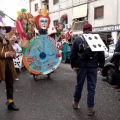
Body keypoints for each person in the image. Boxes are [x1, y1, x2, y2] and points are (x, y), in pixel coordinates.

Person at [70, 23, 105, 116]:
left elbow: (72, 54)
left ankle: (75, 103)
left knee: (79, 85)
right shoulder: (96, 38)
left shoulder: (78, 39)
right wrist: (101, 65)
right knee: (91, 88)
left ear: (83, 30)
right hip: (93, 67)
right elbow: (101, 53)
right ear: (91, 30)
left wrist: (73, 65)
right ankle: (90, 108)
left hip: (81, 66)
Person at [0, 21, 19, 110]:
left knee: (10, 85)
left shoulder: (7, 41)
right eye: (2, 29)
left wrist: (13, 54)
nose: (4, 31)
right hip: (0, 68)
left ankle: (10, 102)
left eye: (4, 29)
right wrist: (5, 55)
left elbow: (13, 51)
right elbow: (3, 54)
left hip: (9, 67)